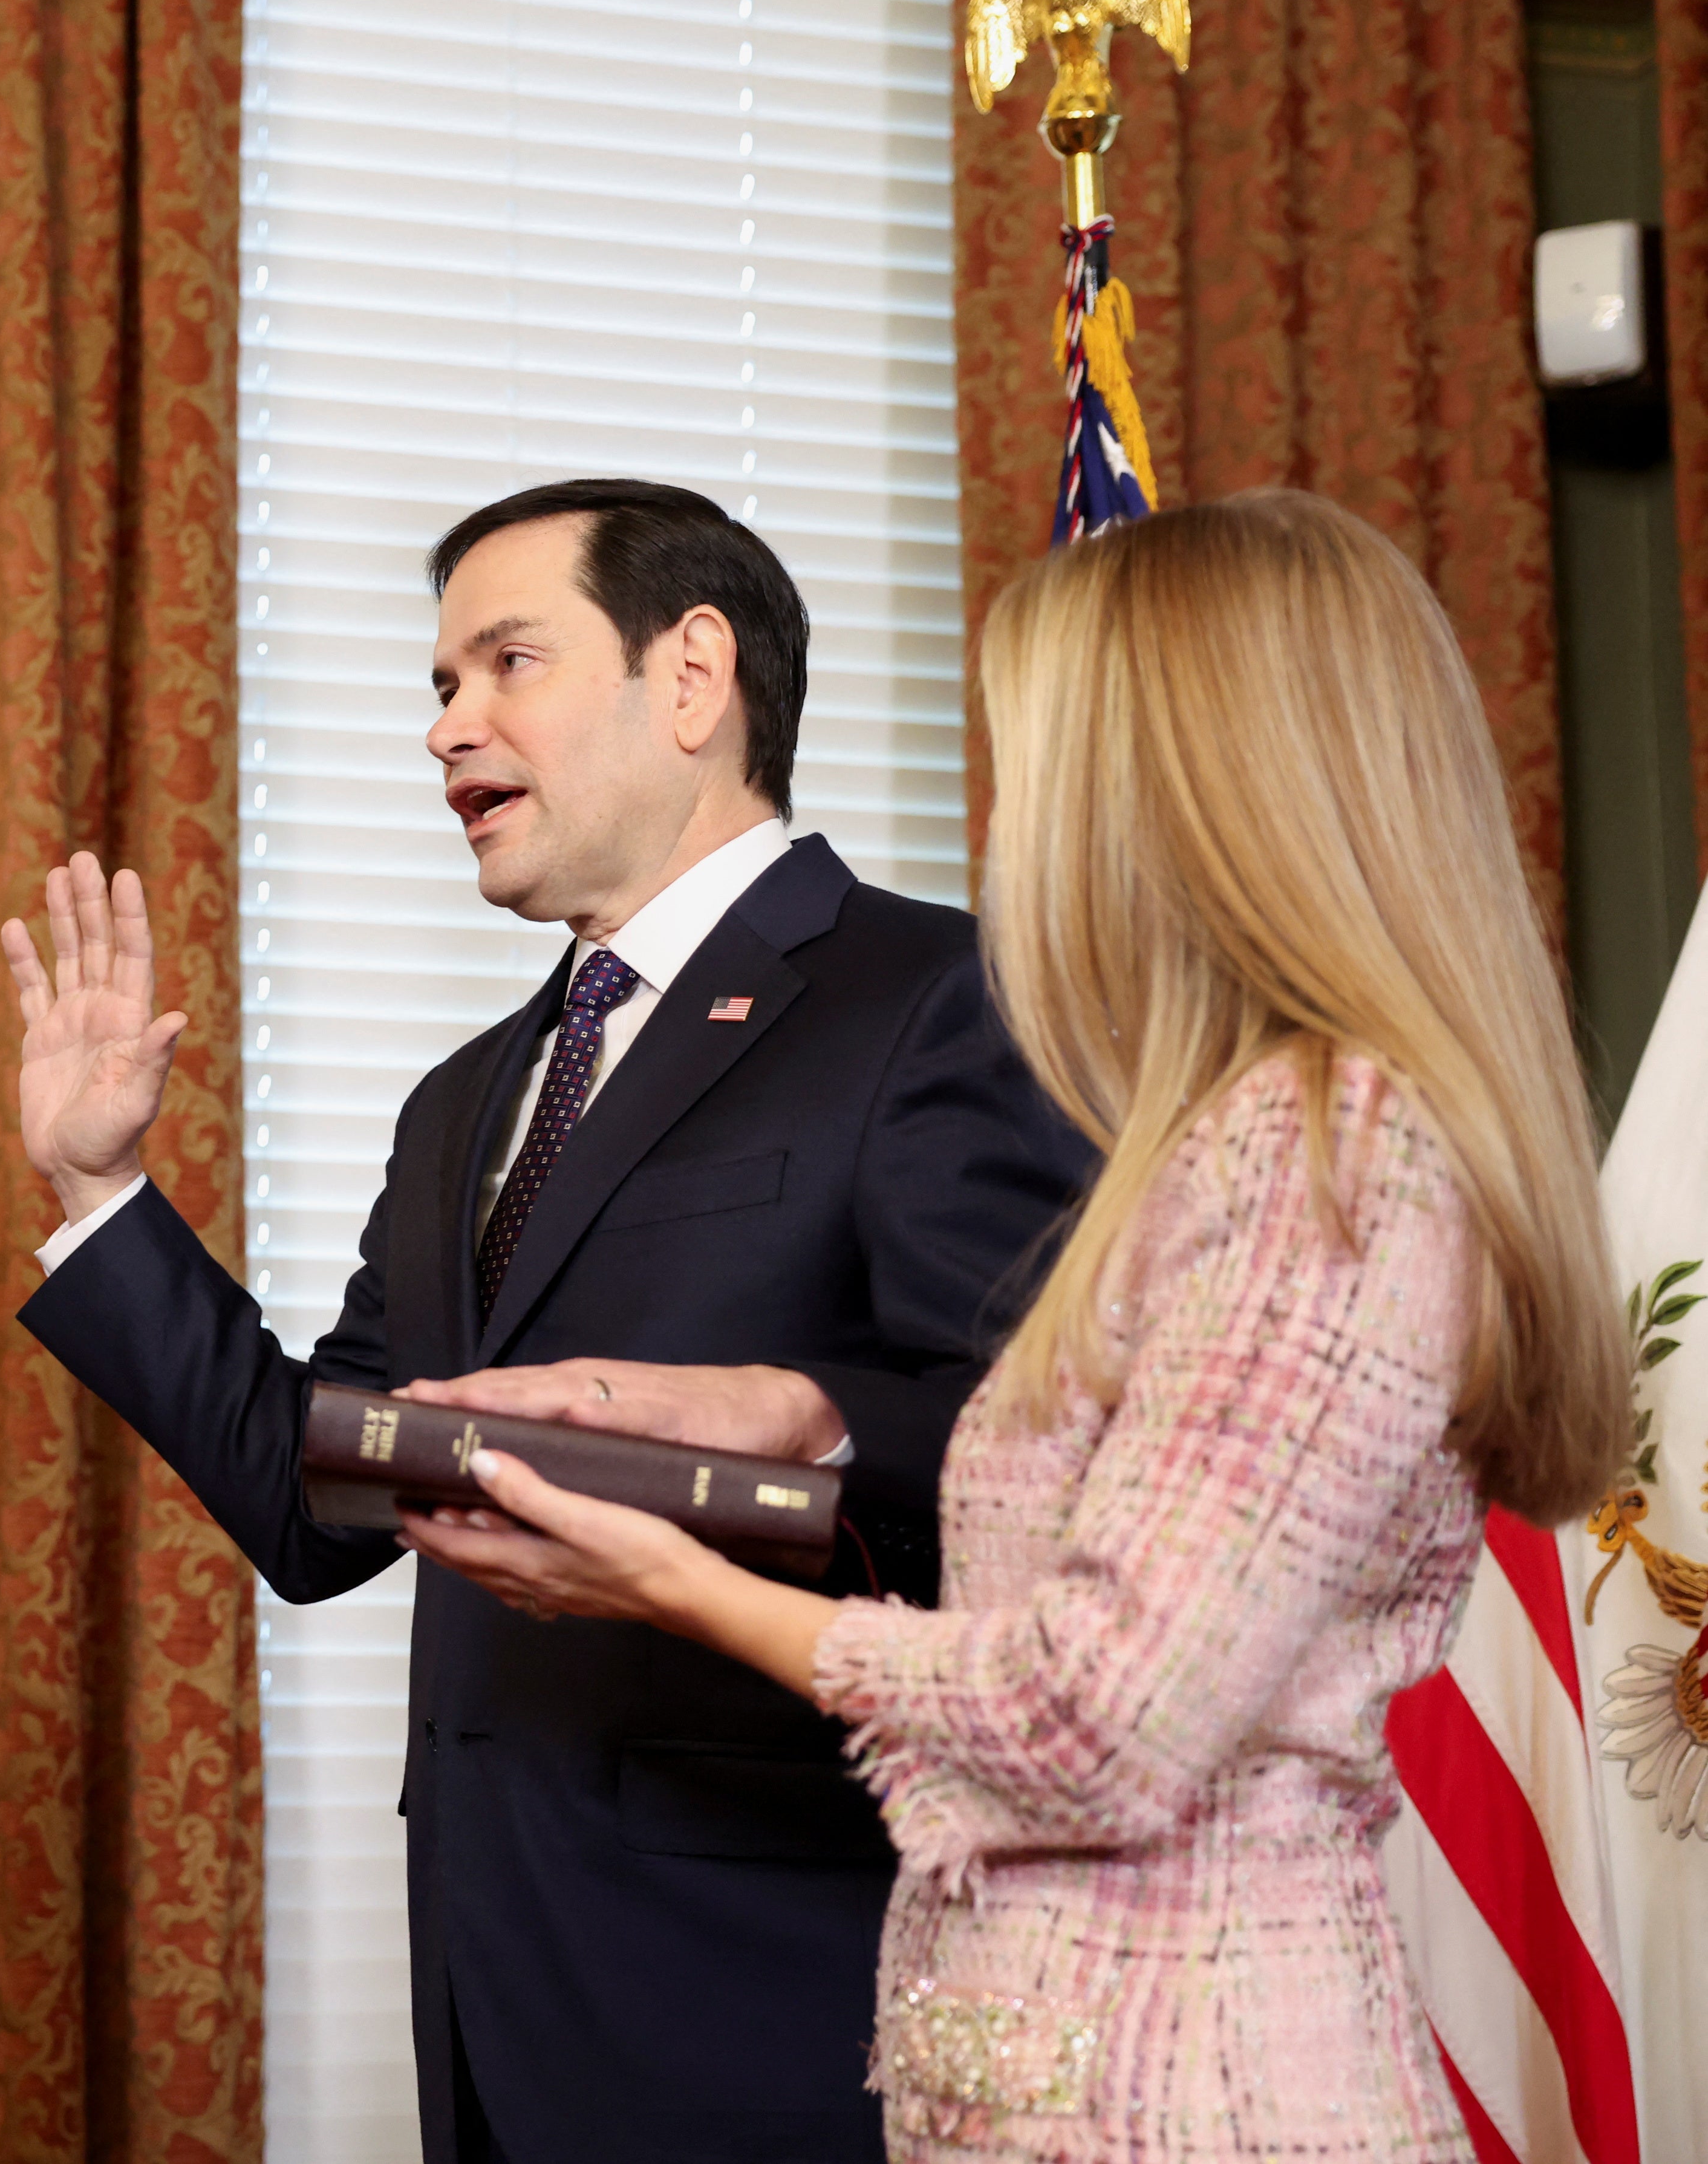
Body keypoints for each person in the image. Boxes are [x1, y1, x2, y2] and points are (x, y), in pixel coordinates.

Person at [406, 490, 1634, 2161]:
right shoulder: (1217, 1135)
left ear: (1199, 789)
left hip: (1198, 2094)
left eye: (1046, 760)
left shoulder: (1326, 1149)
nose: (1016, 819)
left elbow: (1094, 1718)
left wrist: (669, 1582)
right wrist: (776, 1411)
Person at [5, 478, 1092, 2163]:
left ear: (689, 676)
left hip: (784, 1987)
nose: (450, 727)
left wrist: (790, 1415)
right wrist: (102, 1198)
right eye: (435, 687)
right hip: (489, 1987)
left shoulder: (939, 993)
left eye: (504, 662)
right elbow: (319, 1504)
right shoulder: (463, 1100)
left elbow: (1052, 1446)